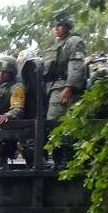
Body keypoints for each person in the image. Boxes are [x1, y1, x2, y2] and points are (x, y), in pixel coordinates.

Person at [41, 12, 86, 168]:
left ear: (67, 26)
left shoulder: (74, 41)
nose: (56, 28)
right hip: (52, 87)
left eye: (59, 25)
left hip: (64, 86)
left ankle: (66, 159)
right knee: (52, 123)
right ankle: (59, 159)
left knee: (57, 121)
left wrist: (69, 87)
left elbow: (76, 64)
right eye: (55, 26)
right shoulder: (55, 45)